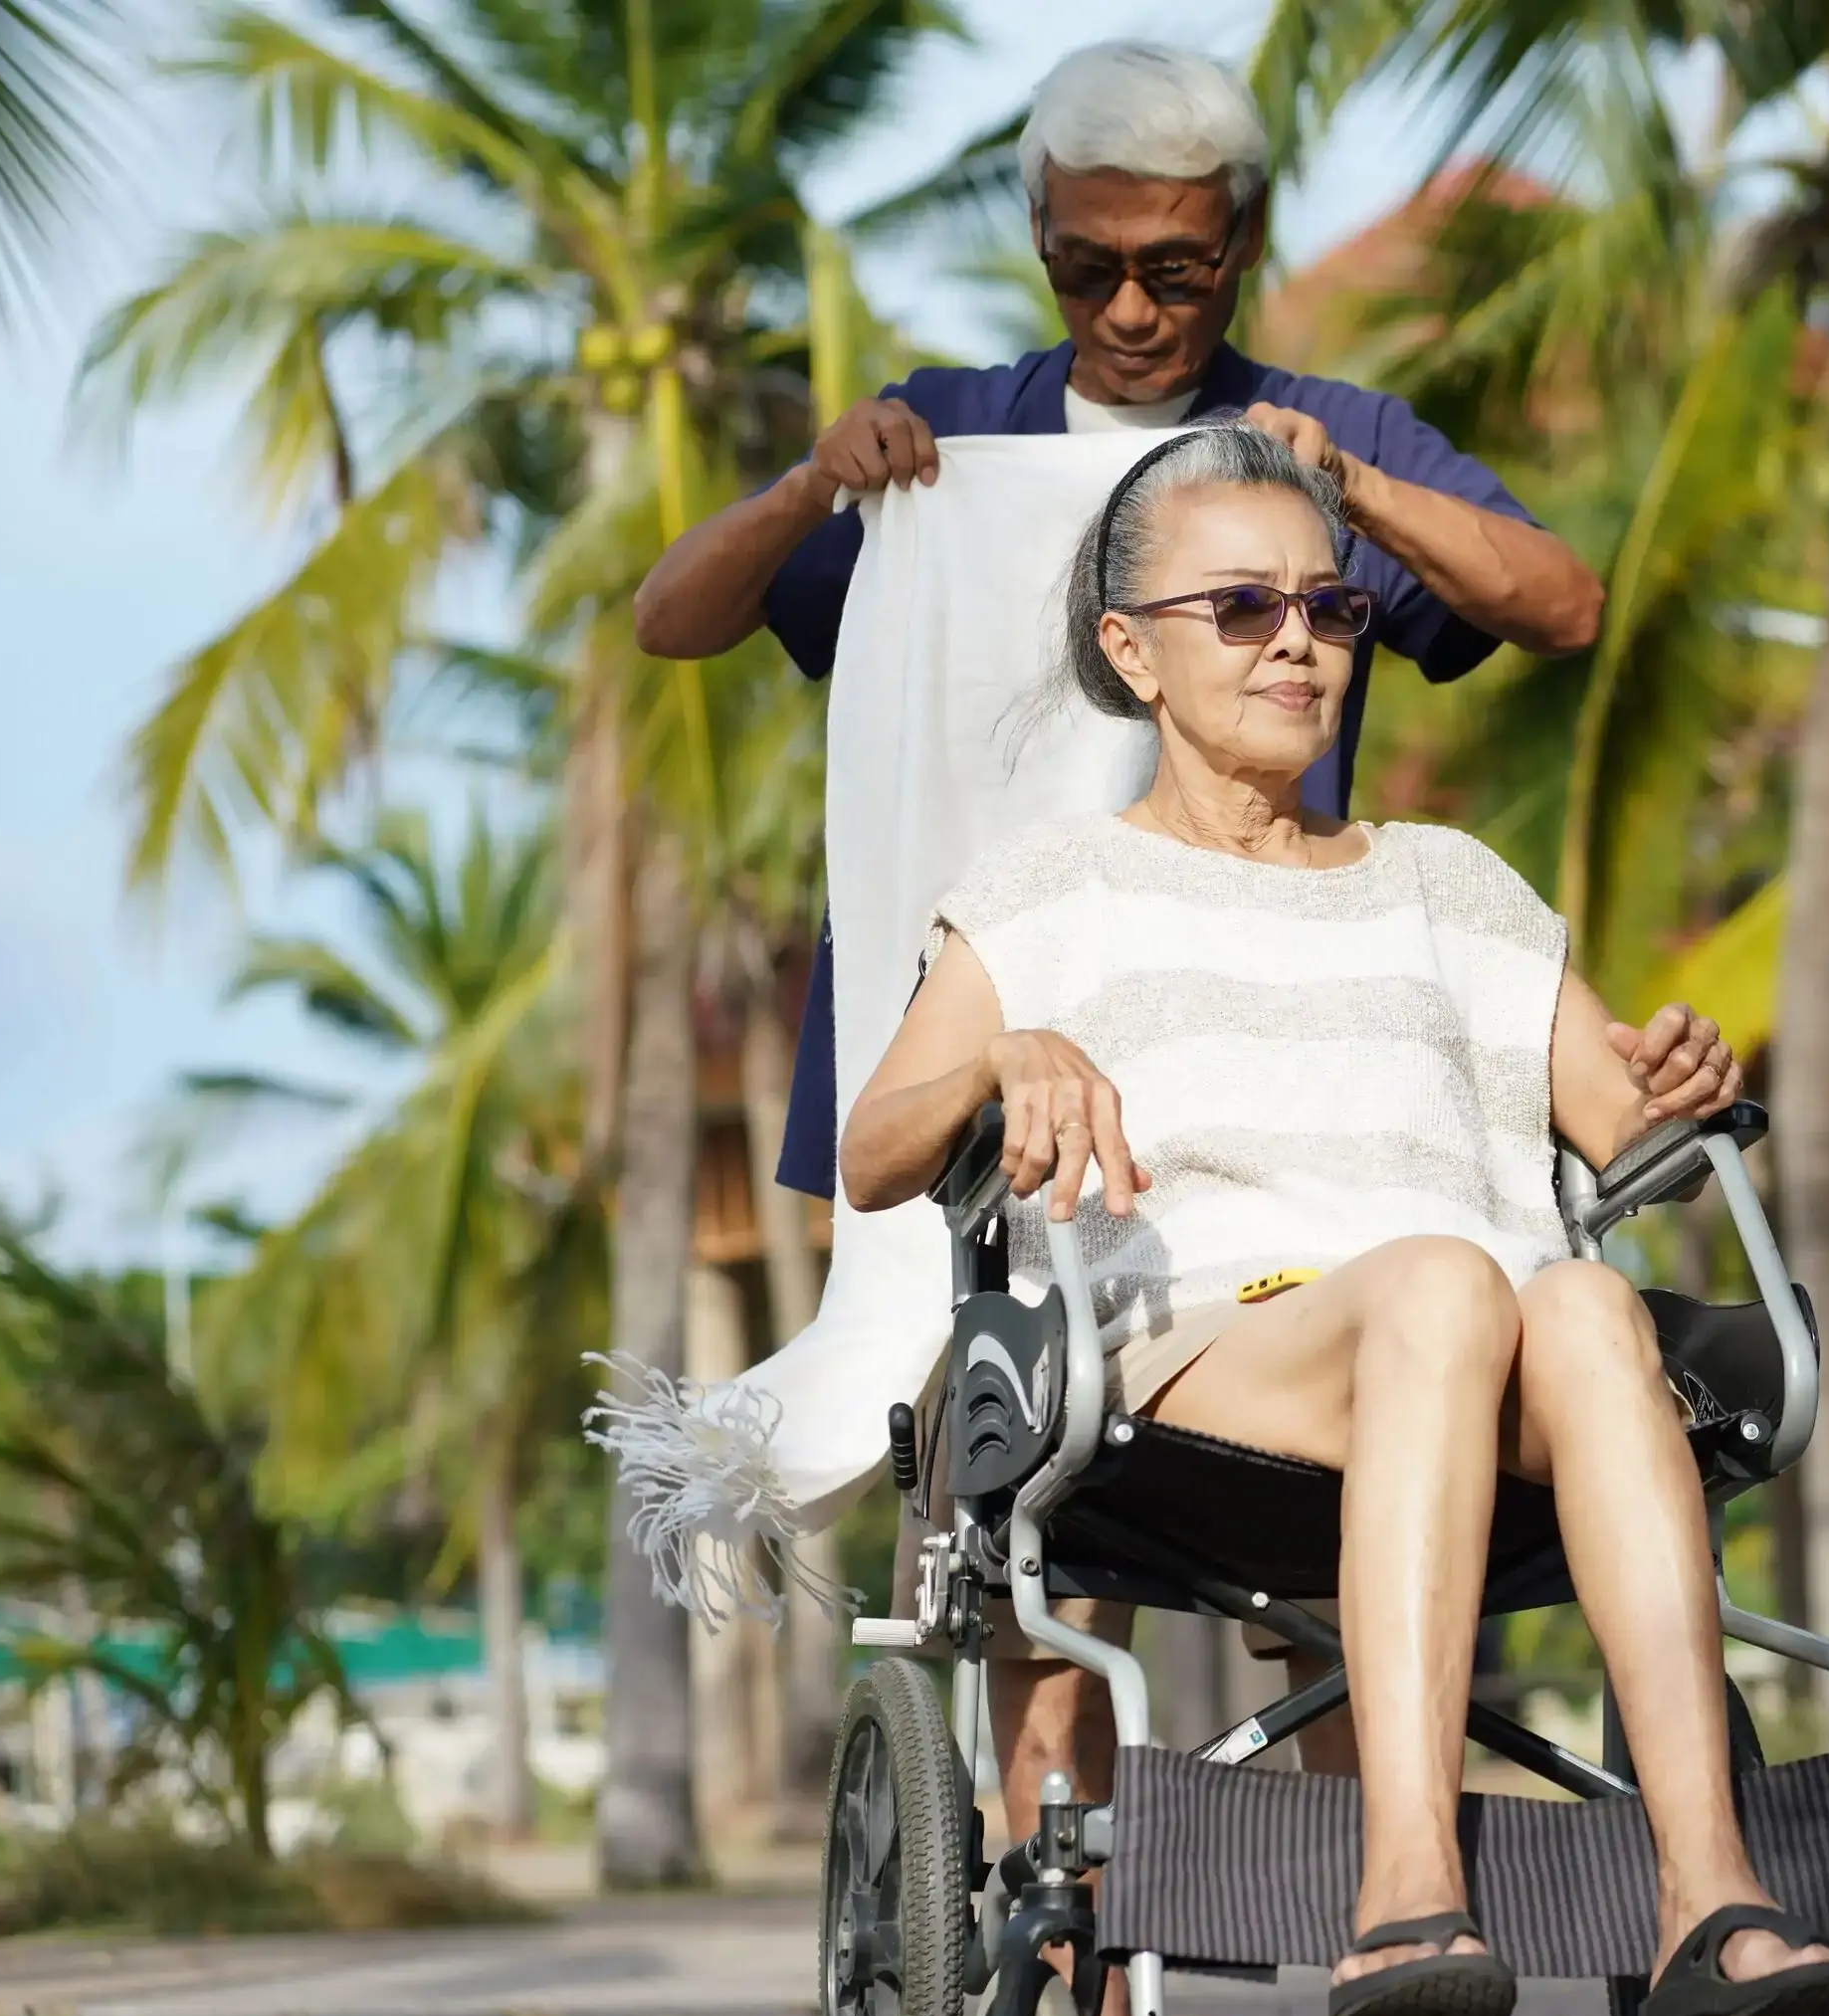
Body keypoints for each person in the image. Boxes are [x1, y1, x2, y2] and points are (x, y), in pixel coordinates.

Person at [629, 36, 1602, 1901]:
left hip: (1274, 1096)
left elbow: (1559, 602)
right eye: (1090, 268)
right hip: (1016, 1073)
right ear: (1039, 241)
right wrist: (818, 486)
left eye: (1178, 266)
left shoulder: (1312, 440)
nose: (1135, 309)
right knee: (1043, 1561)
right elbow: (675, 617)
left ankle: (1367, 1920)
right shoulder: (955, 438)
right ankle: (1070, 1960)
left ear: (1245, 241)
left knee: (1335, 1564)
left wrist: (1353, 496)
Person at [840, 423, 1829, 2016]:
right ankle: (1405, 1881)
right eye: (1244, 607)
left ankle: (1711, 1896)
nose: (1299, 643)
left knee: (1590, 1308)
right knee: (1447, 1285)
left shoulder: (1450, 886)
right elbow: (873, 1152)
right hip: (1202, 1368)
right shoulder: (1050, 891)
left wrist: (1681, 1080)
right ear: (1131, 651)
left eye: (1329, 609)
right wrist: (998, 1056)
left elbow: (1635, 1133)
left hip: (1493, 1367)